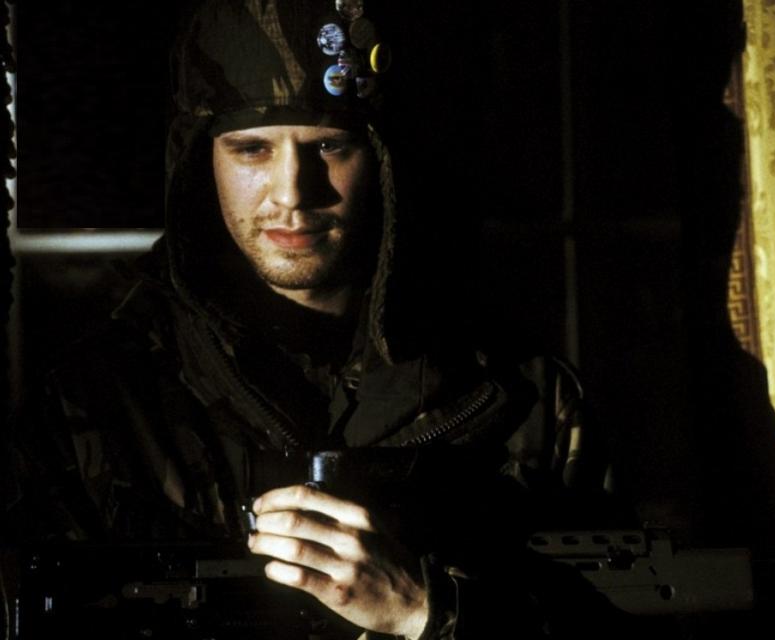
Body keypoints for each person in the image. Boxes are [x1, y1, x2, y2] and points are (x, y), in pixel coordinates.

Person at [4, 1, 624, 637]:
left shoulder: (522, 399)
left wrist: (429, 613)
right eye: (251, 149)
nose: (293, 192)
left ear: (382, 158)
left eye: (329, 145)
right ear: (199, 160)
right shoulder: (96, 407)